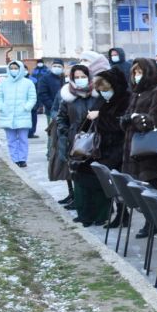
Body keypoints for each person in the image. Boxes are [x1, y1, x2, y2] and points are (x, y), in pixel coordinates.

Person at [121, 58, 157, 235]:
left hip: (148, 149)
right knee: (140, 188)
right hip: (133, 148)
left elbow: (154, 121)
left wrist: (134, 118)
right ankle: (151, 221)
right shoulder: (135, 93)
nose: (136, 76)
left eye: (140, 72)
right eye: (134, 73)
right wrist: (129, 118)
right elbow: (126, 118)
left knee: (151, 185)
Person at [79, 69, 129, 225]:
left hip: (119, 147)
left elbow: (119, 123)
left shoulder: (125, 99)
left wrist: (100, 116)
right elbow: (91, 119)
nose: (103, 93)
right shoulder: (103, 99)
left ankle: (122, 214)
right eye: (100, 91)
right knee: (110, 182)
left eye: (105, 90)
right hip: (103, 147)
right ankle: (117, 213)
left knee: (118, 182)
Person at [58, 65, 98, 220]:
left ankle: (98, 213)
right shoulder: (68, 97)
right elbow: (61, 119)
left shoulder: (96, 95)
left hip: (95, 142)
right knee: (79, 179)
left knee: (95, 178)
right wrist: (68, 133)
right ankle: (83, 213)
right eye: (77, 77)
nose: (81, 80)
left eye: (83, 76)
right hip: (76, 144)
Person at [0, 60, 37, 167]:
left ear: (21, 69)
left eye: (16, 68)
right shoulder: (4, 83)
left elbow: (32, 98)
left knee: (23, 139)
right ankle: (15, 159)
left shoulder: (28, 83)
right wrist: (1, 107)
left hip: (23, 115)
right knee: (11, 140)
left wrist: (26, 107)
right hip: (7, 115)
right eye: (11, 68)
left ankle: (22, 159)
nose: (14, 70)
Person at [40, 59, 70, 202]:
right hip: (54, 113)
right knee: (53, 137)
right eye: (55, 66)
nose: (57, 68)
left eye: (60, 66)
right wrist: (53, 110)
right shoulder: (46, 78)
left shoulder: (64, 79)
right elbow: (43, 94)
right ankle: (49, 151)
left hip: (70, 126)